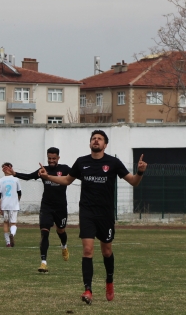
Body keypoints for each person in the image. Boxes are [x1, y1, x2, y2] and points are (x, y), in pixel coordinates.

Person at [39, 130, 147, 305]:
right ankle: (88, 289)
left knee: (107, 251)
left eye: (99, 139)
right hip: (87, 212)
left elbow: (133, 181)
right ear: (90, 143)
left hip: (105, 214)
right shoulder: (82, 162)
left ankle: (109, 281)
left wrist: (140, 172)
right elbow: (67, 180)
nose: (96, 141)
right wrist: (47, 177)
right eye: (93, 139)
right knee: (88, 250)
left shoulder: (113, 162)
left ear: (105, 144)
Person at [4, 147, 71, 273]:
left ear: (58, 158)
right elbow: (29, 176)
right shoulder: (42, 170)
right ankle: (43, 263)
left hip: (61, 207)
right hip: (46, 206)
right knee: (44, 232)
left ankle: (64, 246)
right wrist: (15, 174)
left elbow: (76, 175)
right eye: (49, 158)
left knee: (61, 230)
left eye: (53, 158)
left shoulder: (65, 169)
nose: (51, 161)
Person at [0, 162, 22, 247]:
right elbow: (19, 192)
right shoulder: (16, 179)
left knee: (6, 223)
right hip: (14, 204)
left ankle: (8, 242)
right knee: (13, 223)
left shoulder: (0, 180)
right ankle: (12, 235)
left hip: (5, 204)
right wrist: (17, 200)